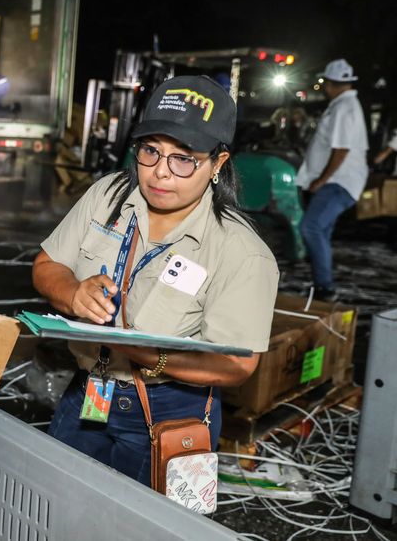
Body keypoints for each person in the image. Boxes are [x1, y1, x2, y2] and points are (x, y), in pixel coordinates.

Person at [32, 75, 278, 487]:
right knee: (55, 498)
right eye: (150, 151)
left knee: (148, 519)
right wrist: (72, 292)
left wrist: (151, 357)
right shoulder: (108, 196)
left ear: (218, 163)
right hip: (91, 391)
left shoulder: (241, 252)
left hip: (173, 409)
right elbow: (46, 265)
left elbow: (238, 364)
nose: (160, 173)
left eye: (184, 159)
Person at [295, 59, 368, 302]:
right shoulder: (342, 105)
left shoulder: (345, 107)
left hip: (339, 181)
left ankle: (325, 287)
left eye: (326, 83)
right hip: (337, 181)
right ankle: (322, 286)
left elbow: (342, 149)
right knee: (321, 230)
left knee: (311, 227)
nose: (325, 87)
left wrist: (321, 180)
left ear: (331, 83)